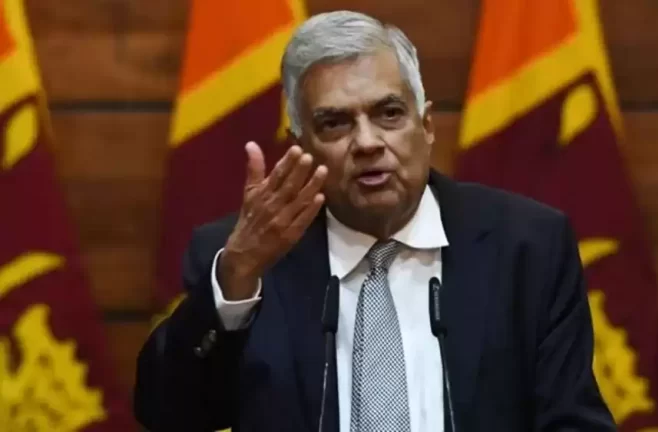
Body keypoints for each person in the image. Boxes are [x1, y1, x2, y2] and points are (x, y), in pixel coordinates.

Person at [134, 10, 616, 432]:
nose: (366, 143)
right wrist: (236, 279)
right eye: (335, 123)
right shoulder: (245, 260)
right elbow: (168, 414)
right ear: (301, 147)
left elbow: (572, 421)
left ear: (426, 126)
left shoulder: (527, 247)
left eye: (388, 114)